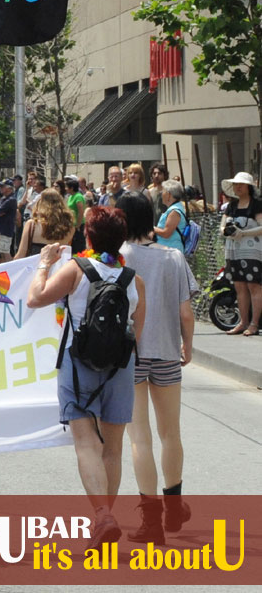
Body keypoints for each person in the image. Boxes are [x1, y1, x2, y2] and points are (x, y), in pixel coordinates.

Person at [26, 207, 146, 550]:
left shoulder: (76, 270)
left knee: (86, 443)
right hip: (120, 367)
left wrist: (42, 265)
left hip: (78, 363)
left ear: (88, 238)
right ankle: (105, 520)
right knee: (113, 447)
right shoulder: (134, 280)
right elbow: (138, 332)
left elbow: (36, 297)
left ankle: (102, 517)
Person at [115, 192, 195, 543]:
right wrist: (187, 345)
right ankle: (174, 504)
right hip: (166, 352)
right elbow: (186, 313)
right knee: (171, 433)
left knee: (139, 438)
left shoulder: (118, 259)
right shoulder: (173, 257)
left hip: (130, 354)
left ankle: (151, 523)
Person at [220, 172, 262, 336]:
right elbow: (222, 226)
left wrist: (244, 233)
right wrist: (226, 231)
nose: (238, 187)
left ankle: (254, 323)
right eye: (236, 184)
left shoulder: (256, 204)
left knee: (254, 286)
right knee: (239, 286)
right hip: (234, 251)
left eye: (241, 184)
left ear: (249, 187)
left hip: (252, 251)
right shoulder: (232, 205)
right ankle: (243, 322)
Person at [15, 188, 75, 259]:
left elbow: (21, 254)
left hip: (37, 267)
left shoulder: (32, 225)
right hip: (60, 268)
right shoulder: (70, 227)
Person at [152, 180, 188, 253]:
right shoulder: (175, 208)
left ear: (168, 195)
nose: (161, 194)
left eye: (163, 192)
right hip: (167, 250)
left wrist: (152, 228)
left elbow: (166, 233)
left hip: (171, 251)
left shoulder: (174, 211)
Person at [0, 179, 19, 260]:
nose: (0, 188)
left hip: (5, 230)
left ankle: (11, 270)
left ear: (9, 188)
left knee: (5, 252)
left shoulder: (11, 199)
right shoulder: (3, 198)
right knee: (1, 253)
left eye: (2, 186)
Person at [65, 175, 88, 252]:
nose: (65, 189)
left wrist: (78, 225)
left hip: (79, 226)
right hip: (72, 225)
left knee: (78, 246)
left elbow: (81, 212)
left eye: (67, 187)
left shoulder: (78, 196)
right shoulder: (71, 196)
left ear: (71, 188)